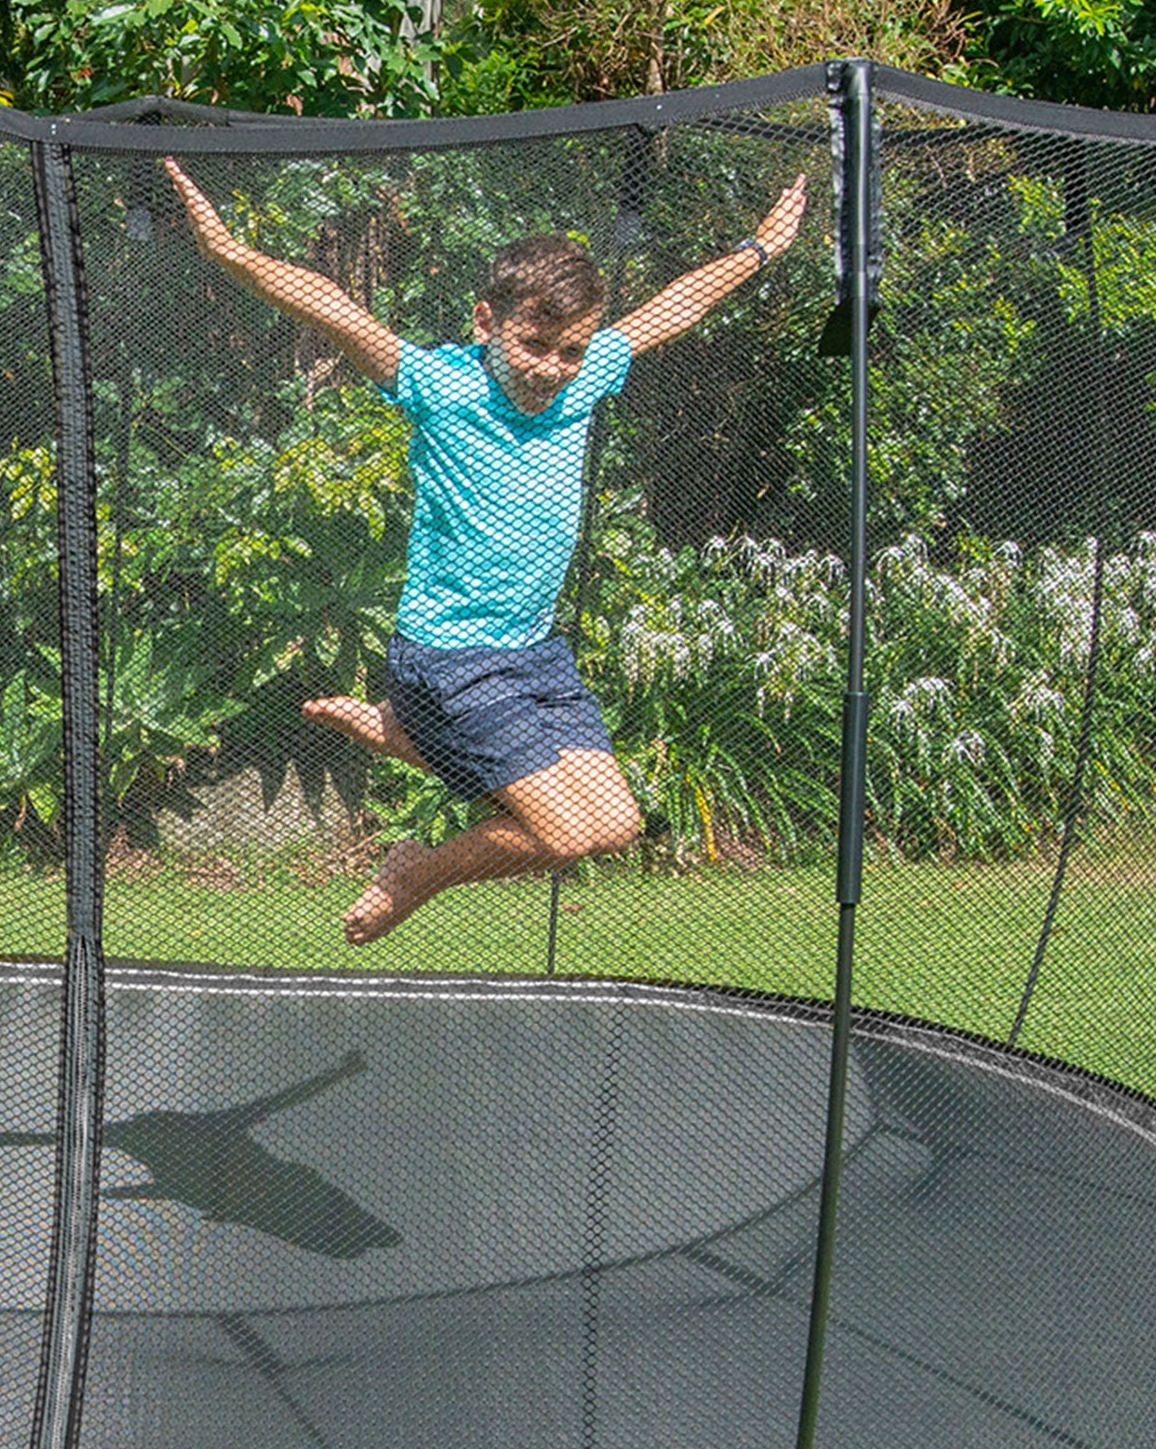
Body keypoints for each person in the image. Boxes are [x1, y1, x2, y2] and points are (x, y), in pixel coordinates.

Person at [166, 157, 807, 945]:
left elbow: (677, 306)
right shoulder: (440, 386)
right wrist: (231, 253)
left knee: (614, 824)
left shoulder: (587, 378)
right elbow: (334, 309)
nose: (553, 370)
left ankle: (406, 736)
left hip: (533, 654)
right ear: (484, 323)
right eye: (534, 344)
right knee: (561, 834)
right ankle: (415, 872)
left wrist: (760, 248)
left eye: (571, 351)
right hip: (451, 656)